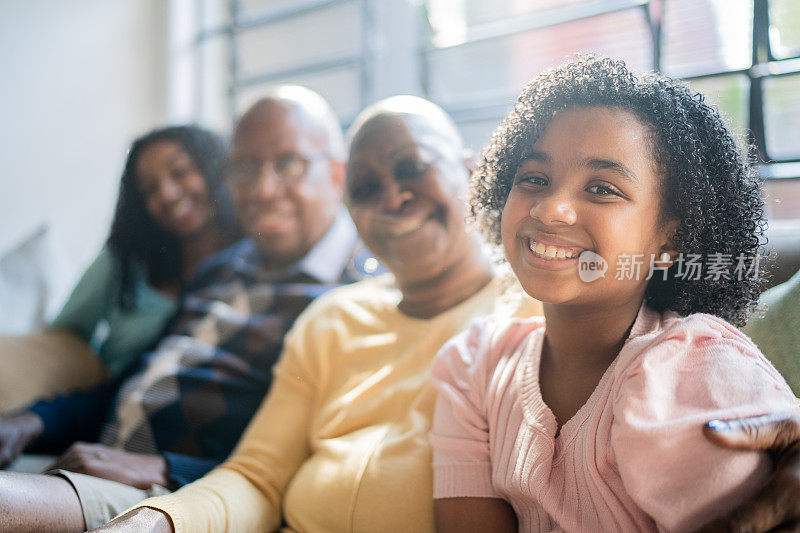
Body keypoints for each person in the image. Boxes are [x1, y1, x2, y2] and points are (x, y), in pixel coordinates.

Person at [89, 96, 800, 533]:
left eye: (412, 166)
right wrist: (155, 518)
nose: (391, 195)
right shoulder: (384, 334)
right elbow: (257, 474)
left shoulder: (566, 306)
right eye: (365, 186)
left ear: (465, 169)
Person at [429, 56, 800, 532]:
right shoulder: (474, 365)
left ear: (670, 244)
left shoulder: (693, 371)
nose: (551, 208)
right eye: (534, 179)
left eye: (602, 188)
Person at [0, 85, 372, 532]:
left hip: (179, 493)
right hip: (99, 460)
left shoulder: (357, 295)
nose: (263, 189)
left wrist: (163, 467)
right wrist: (34, 421)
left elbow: (297, 465)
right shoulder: (223, 267)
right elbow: (134, 382)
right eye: (245, 169)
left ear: (336, 173)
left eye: (288, 163)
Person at [0, 125, 239, 413]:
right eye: (149, 189)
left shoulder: (252, 263)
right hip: (117, 407)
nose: (167, 194)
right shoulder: (124, 263)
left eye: (180, 172)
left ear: (216, 169)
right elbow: (63, 337)